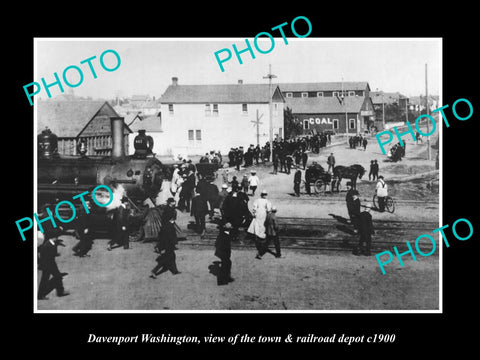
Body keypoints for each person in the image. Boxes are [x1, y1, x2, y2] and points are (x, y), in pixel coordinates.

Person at [150, 198, 181, 278]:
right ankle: (154, 271)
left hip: (167, 238)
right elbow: (169, 232)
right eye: (173, 202)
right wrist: (173, 242)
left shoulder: (168, 211)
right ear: (170, 203)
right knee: (168, 256)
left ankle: (175, 271)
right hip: (168, 240)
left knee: (171, 256)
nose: (174, 203)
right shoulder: (169, 216)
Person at [37, 229, 70, 300]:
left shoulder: (50, 243)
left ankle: (40, 295)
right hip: (49, 264)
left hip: (48, 264)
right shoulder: (48, 245)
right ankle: (60, 292)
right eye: (56, 237)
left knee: (45, 279)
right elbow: (45, 256)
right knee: (57, 276)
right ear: (53, 237)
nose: (57, 238)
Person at [248, 190, 272, 259]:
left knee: (257, 224)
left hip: (258, 213)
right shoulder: (267, 201)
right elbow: (269, 209)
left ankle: (257, 235)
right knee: (262, 225)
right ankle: (261, 236)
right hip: (263, 214)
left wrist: (254, 213)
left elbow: (254, 208)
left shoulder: (257, 200)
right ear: (265, 195)